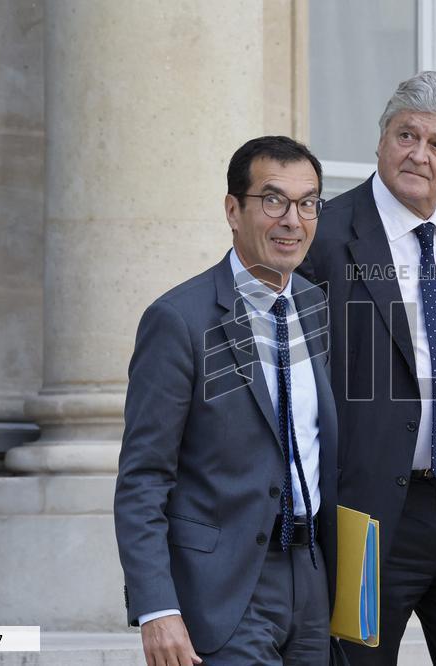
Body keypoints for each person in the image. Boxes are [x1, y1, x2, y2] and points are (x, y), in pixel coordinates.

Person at [298, 71, 436, 665]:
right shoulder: (323, 236)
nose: (418, 155)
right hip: (368, 518)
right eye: (406, 135)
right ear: (380, 141)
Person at [114, 136, 340, 665]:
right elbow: (144, 476)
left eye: (308, 203)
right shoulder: (178, 319)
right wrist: (156, 607)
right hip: (223, 589)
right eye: (273, 200)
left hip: (311, 577)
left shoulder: (317, 306)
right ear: (233, 210)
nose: (292, 219)